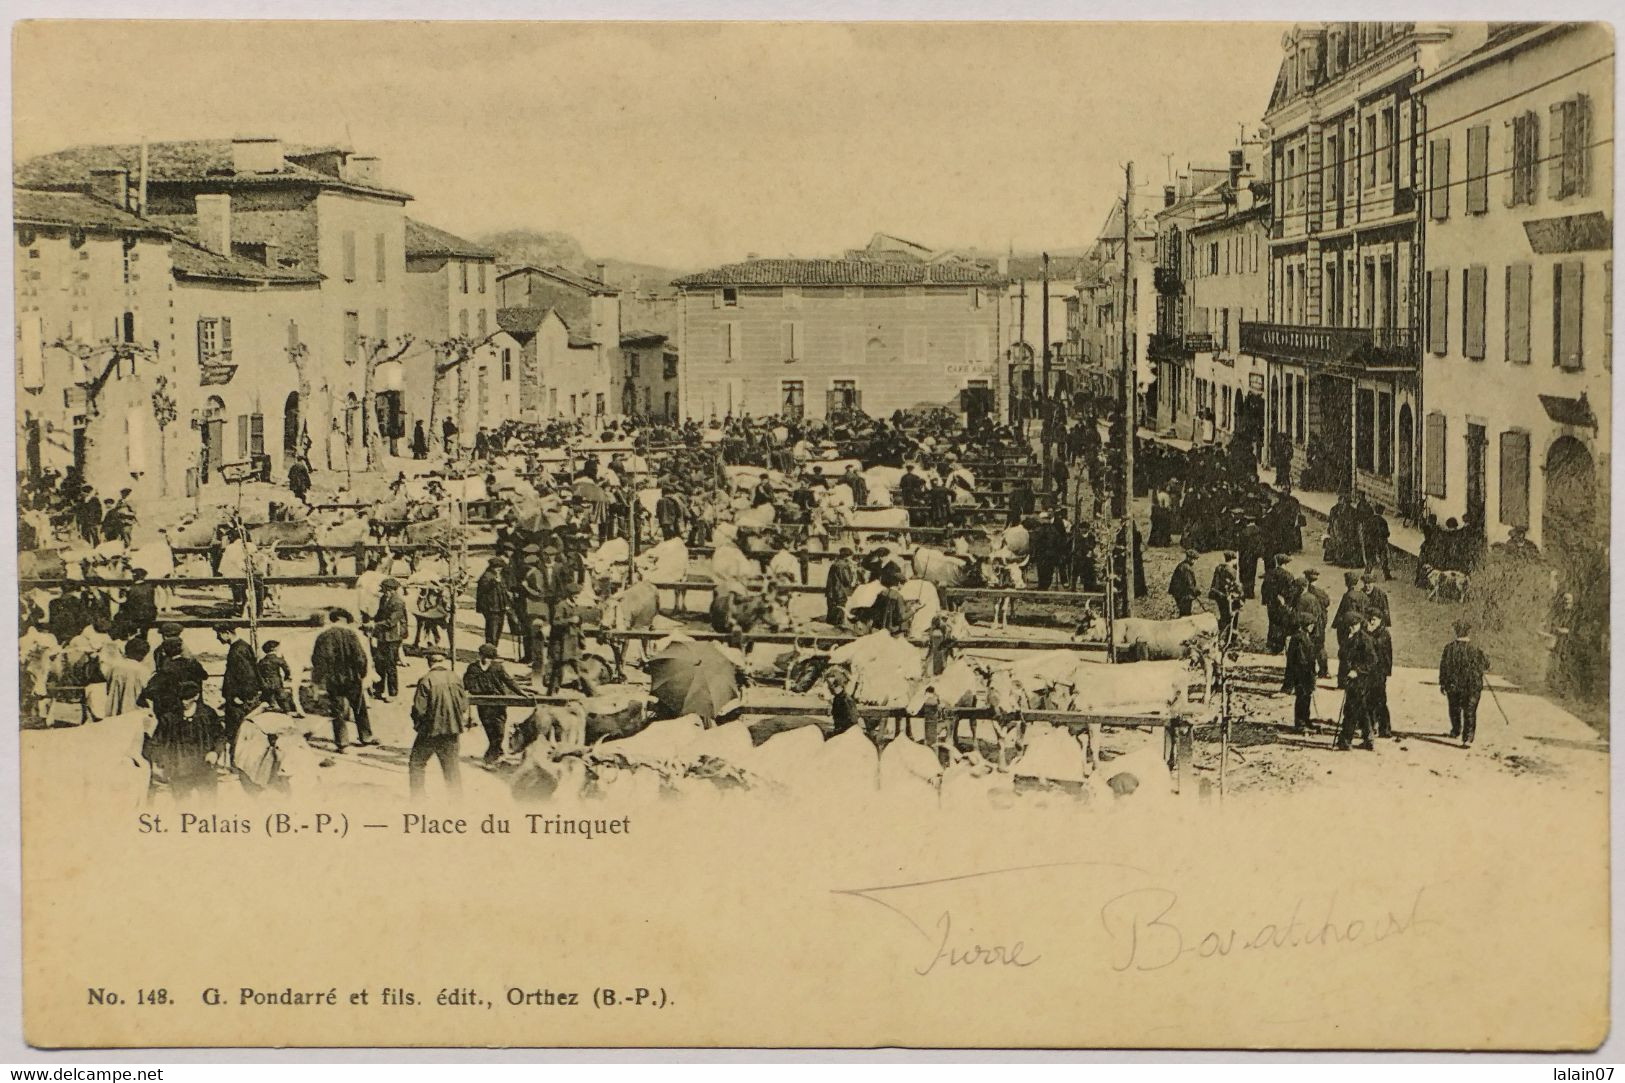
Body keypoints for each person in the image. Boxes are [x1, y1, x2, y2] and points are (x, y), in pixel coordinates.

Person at [407, 649, 471, 798]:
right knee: (452, 768)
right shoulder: (455, 677)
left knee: (416, 764)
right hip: (453, 730)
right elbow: (463, 705)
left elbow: (419, 709)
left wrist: (419, 725)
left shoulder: (426, 680)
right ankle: (456, 802)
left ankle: (418, 800)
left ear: (429, 661)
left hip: (431, 731)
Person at [147, 680, 226, 800]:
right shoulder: (169, 717)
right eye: (182, 698)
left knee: (209, 804)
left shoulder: (207, 714)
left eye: (188, 698)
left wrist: (215, 752)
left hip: (204, 768)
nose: (184, 702)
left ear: (196, 696)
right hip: (179, 770)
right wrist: (161, 762)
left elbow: (220, 736)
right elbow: (156, 742)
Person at [310, 608, 373, 752]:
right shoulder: (351, 635)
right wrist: (361, 674)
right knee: (359, 707)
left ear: (333, 620)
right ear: (343, 620)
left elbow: (318, 660)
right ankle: (366, 736)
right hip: (352, 677)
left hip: (334, 679)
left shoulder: (324, 636)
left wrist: (318, 680)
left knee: (337, 710)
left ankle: (342, 742)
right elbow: (360, 657)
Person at [462, 643, 523, 764]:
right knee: (489, 729)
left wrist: (520, 692)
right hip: (483, 703)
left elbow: (508, 680)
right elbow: (467, 683)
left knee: (499, 730)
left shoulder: (497, 667)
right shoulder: (473, 668)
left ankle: (491, 755)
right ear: (481, 656)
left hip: (498, 703)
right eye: (485, 656)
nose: (487, 660)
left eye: (490, 657)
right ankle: (496, 754)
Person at [1439, 619, 1490, 748]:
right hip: (1472, 686)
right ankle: (1467, 738)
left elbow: (1443, 668)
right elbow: (1487, 665)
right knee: (1470, 711)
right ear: (1468, 632)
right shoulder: (1476, 648)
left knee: (1454, 709)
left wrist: (1443, 684)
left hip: (1454, 686)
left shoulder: (1449, 648)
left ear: (1456, 632)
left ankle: (1456, 730)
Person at [217, 625, 262, 762]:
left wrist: (240, 696)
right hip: (237, 698)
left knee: (236, 732)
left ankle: (236, 763)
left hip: (237, 700)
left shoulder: (238, 650)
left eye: (219, 634)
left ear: (227, 633)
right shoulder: (242, 646)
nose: (217, 638)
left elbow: (247, 675)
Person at [1336, 614, 1378, 752]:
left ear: (1359, 624)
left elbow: (1372, 661)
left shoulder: (1365, 640)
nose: (1351, 628)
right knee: (1361, 710)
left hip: (1361, 680)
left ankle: (1345, 740)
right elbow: (1343, 656)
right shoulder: (1349, 637)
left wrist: (1357, 671)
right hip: (1352, 680)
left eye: (1354, 625)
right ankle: (1369, 739)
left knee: (1351, 709)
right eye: (1349, 626)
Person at [368, 578, 408, 701]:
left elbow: (391, 622)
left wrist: (375, 625)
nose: (383, 592)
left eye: (385, 590)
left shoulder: (398, 602)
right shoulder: (384, 599)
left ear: (391, 590)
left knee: (390, 665)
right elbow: (379, 614)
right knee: (379, 663)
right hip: (383, 636)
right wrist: (371, 620)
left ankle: (392, 693)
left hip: (393, 637)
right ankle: (378, 689)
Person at [1332, 571, 1369, 688]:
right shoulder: (1363, 596)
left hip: (1348, 628)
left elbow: (1343, 614)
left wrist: (1337, 625)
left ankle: (1343, 682)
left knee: (1345, 654)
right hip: (1361, 627)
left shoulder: (1348, 596)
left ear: (1348, 582)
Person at [1283, 616, 1319, 733]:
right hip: (1301, 673)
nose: (1312, 627)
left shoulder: (1306, 636)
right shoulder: (1299, 638)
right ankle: (1300, 723)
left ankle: (1306, 719)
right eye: (1310, 624)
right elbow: (1300, 658)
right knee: (1302, 697)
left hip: (1307, 672)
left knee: (1306, 696)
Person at [103, 637, 152, 717]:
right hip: (134, 712)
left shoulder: (115, 666)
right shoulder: (143, 670)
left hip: (113, 711)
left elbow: (108, 685)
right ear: (142, 654)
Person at [1364, 612, 1394, 739]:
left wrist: (1367, 635)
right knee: (1370, 699)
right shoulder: (1373, 632)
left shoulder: (1383, 633)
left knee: (1380, 700)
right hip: (1371, 672)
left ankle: (1385, 728)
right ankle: (1372, 726)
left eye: (1374, 619)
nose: (1371, 622)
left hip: (1379, 672)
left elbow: (1376, 645)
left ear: (1380, 620)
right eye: (1369, 619)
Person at [257, 640, 302, 716]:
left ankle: (268, 709)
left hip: (265, 683)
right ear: (273, 649)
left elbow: (258, 672)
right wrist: (287, 677)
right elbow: (286, 669)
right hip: (276, 682)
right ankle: (288, 712)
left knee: (267, 697)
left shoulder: (262, 661)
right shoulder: (278, 659)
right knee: (282, 697)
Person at [475, 557, 512, 650]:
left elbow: (503, 590)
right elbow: (484, 589)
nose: (499, 569)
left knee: (498, 629)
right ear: (492, 567)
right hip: (491, 608)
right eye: (497, 567)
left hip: (500, 607)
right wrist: (494, 582)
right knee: (492, 631)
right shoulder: (486, 576)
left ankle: (494, 649)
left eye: (500, 567)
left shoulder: (500, 576)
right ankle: (490, 650)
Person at [1300, 569, 1331, 678]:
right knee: (1320, 646)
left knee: (1308, 646)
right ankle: (1324, 670)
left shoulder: (1304, 592)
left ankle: (1310, 670)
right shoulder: (1321, 592)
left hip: (1308, 623)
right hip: (1320, 622)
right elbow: (1327, 603)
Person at [1260, 554, 1294, 653]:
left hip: (1271, 603)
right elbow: (1291, 591)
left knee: (1272, 623)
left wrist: (1266, 601)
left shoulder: (1269, 574)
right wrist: (1289, 603)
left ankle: (1271, 645)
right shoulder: (1289, 575)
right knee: (1282, 624)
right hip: (1283, 604)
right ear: (1286, 563)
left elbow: (1264, 589)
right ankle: (1280, 646)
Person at [1208, 551, 1242, 641]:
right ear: (1233, 560)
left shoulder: (1219, 568)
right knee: (1231, 618)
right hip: (1228, 598)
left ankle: (1221, 636)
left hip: (1218, 596)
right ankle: (1229, 638)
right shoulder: (1232, 571)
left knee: (1223, 616)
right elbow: (1236, 587)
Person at [825, 547, 860, 627]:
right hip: (839, 592)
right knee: (839, 610)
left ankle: (831, 624)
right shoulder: (843, 565)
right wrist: (853, 572)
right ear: (848, 556)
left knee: (831, 609)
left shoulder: (835, 563)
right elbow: (847, 581)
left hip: (831, 591)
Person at [1168, 549, 1200, 617]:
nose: (1195, 561)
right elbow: (1189, 583)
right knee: (1186, 614)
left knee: (1183, 612)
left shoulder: (1182, 565)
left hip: (1180, 593)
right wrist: (1196, 591)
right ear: (1189, 558)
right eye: (1194, 559)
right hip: (1183, 595)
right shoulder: (1186, 568)